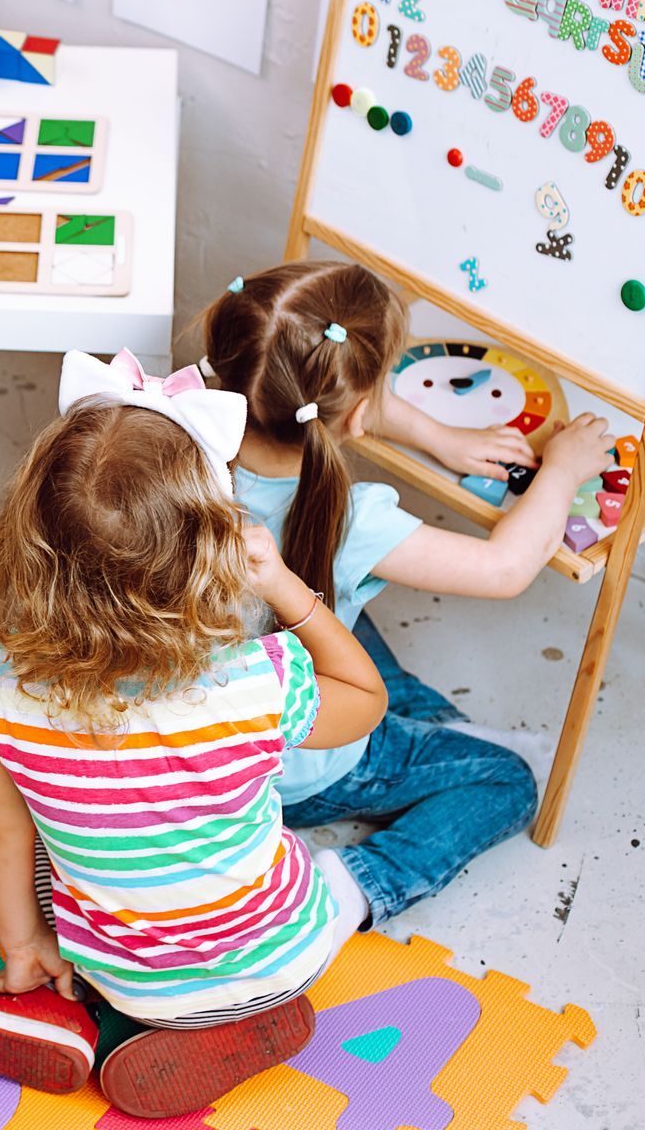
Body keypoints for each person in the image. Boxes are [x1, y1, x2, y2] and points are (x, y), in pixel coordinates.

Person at [0, 351, 387, 1119]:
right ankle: (237, 1016)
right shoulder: (260, 679)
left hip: (122, 972)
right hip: (285, 952)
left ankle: (63, 1007)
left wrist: (22, 952)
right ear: (214, 549)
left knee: (52, 836)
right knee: (289, 854)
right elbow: (367, 699)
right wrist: (284, 584)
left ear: (25, 544)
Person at [199, 260, 616, 934]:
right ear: (355, 411)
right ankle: (360, 887)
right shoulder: (351, 520)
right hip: (297, 767)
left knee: (334, 614)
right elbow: (507, 568)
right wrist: (562, 471)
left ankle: (432, 732)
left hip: (209, 696)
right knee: (508, 781)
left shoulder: (172, 430)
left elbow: (333, 398)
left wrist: (444, 437)